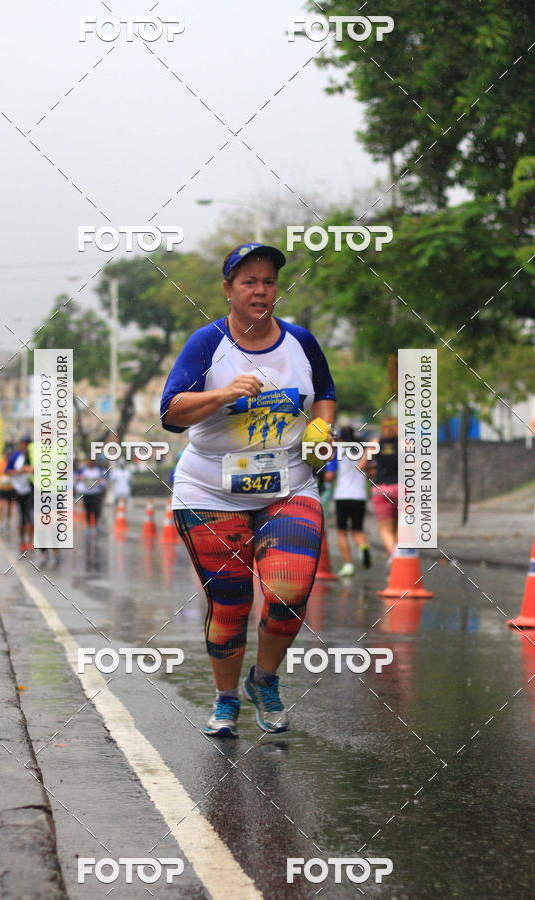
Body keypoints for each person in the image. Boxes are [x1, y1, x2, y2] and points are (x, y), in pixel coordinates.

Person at [161, 241, 336, 737]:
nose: (261, 291)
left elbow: (324, 391)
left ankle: (265, 679)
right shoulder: (206, 343)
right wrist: (223, 393)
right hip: (210, 492)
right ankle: (225, 698)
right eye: (249, 282)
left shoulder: (300, 341)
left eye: (269, 282)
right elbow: (171, 413)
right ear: (228, 289)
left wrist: (323, 427)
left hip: (288, 486)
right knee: (231, 601)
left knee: (290, 589)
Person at [332, 425, 371, 576]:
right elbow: (370, 470)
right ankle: (363, 547)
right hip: (359, 495)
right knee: (357, 530)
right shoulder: (361, 450)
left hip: (342, 495)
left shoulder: (337, 450)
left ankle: (348, 565)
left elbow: (330, 474)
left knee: (342, 532)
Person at [369, 418, 399, 560]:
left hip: (380, 489)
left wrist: (373, 469)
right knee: (400, 527)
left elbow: (362, 464)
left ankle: (394, 557)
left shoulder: (376, 443)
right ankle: (400, 558)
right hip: (402, 488)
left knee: (385, 530)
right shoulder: (405, 443)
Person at [5, 437, 34, 552]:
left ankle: (30, 541)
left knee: (31, 516)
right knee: (22, 517)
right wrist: (20, 471)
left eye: (26, 445)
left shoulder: (34, 456)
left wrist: (32, 469)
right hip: (19, 490)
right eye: (22, 444)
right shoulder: (15, 457)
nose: (24, 447)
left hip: (32, 488)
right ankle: (22, 541)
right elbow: (7, 471)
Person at [78, 460, 107, 529]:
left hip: (96, 493)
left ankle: (96, 524)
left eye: (92, 461)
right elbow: (77, 478)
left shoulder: (99, 470)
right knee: (88, 510)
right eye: (89, 461)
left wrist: (101, 482)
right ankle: (89, 525)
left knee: (97, 510)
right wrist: (81, 479)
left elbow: (104, 481)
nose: (90, 463)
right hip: (87, 493)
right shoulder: (83, 470)